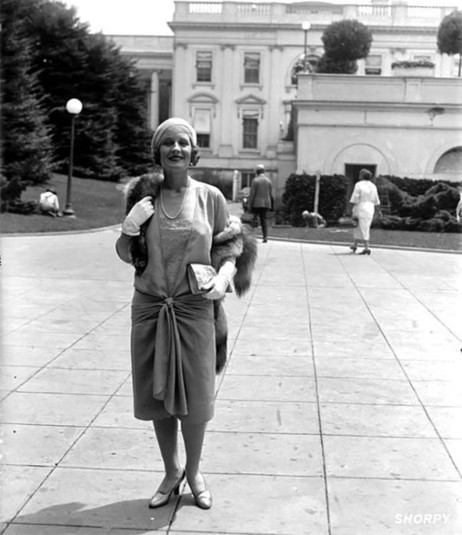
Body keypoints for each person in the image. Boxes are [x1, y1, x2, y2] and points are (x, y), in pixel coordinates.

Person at [115, 118, 256, 511]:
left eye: (183, 143)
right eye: (168, 143)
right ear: (157, 151)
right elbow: (127, 255)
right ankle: (171, 471)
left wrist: (225, 275)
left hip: (195, 309)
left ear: (193, 152)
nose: (175, 148)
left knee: (196, 398)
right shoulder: (144, 197)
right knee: (158, 396)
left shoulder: (211, 197)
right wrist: (129, 227)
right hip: (150, 308)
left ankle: (194, 472)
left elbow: (230, 246)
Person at [349, 168, 380, 255]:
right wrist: (377, 209)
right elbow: (376, 199)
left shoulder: (359, 184)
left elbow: (355, 197)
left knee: (360, 226)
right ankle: (355, 244)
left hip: (360, 206)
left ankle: (367, 247)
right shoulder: (373, 186)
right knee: (363, 225)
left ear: (362, 176)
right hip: (370, 207)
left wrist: (351, 206)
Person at [248, 164, 273, 243]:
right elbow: (271, 193)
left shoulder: (255, 181)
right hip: (266, 203)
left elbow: (252, 194)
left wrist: (249, 204)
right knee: (264, 220)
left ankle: (250, 236)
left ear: (257, 172)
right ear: (264, 171)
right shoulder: (268, 181)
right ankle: (265, 236)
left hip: (257, 203)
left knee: (253, 219)